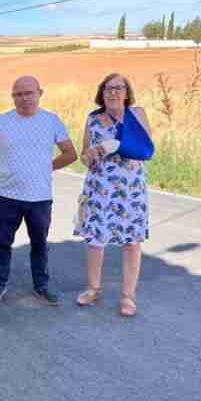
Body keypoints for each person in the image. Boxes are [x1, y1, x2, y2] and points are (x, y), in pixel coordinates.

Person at [0, 76, 77, 306]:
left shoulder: (52, 121)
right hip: (7, 197)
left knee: (39, 244)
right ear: (13, 97)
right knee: (2, 243)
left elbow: (70, 153)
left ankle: (41, 286)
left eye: (29, 93)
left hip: (40, 198)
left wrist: (48, 166)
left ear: (39, 93)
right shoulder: (1, 121)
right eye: (18, 94)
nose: (24, 98)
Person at [73, 73, 151, 317]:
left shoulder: (137, 115)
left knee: (131, 241)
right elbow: (84, 155)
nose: (113, 92)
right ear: (101, 93)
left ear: (127, 93)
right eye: (108, 88)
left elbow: (146, 149)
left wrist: (116, 145)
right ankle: (93, 288)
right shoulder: (93, 119)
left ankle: (128, 297)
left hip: (130, 190)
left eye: (118, 88)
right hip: (99, 187)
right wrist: (90, 155)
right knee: (96, 239)